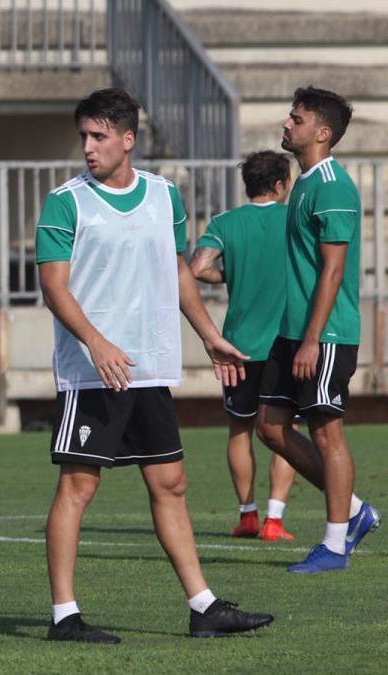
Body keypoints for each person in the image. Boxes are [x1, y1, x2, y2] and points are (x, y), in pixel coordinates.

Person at [35, 88, 273, 643]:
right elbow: (53, 286)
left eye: (98, 137)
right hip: (93, 371)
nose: (88, 148)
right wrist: (95, 341)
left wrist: (209, 335)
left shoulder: (165, 196)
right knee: (78, 487)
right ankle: (64, 616)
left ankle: (203, 606)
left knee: (171, 483)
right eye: (83, 137)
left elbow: (179, 272)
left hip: (150, 367)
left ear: (127, 139)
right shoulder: (65, 202)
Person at [255, 86, 380, 573]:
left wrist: (311, 338)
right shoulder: (305, 181)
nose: (287, 124)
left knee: (327, 432)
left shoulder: (332, 185)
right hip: (295, 331)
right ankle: (353, 511)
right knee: (269, 427)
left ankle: (333, 545)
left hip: (324, 335)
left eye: (297, 119)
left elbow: (332, 271)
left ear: (322, 133)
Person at [190, 150, 298, 541]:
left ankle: (247, 514)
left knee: (240, 429)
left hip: (239, 346)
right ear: (282, 184)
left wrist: (230, 274)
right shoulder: (293, 218)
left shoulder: (226, 222)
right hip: (284, 343)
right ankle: (274, 519)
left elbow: (197, 269)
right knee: (285, 429)